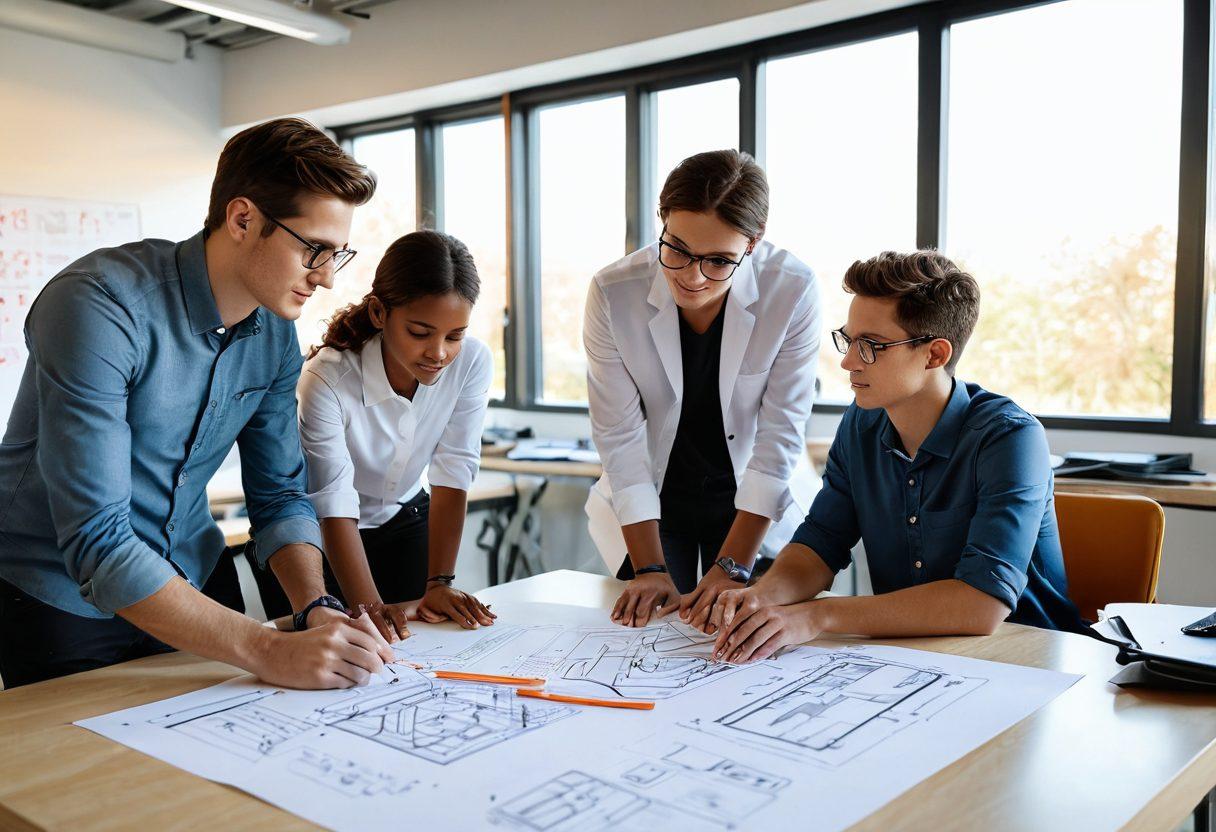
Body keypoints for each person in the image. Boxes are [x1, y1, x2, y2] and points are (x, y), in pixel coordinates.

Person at [0, 117, 397, 689]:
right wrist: (266, 647)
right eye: (314, 250)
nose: (328, 279)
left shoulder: (275, 334)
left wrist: (315, 607)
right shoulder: (97, 305)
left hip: (192, 569)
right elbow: (99, 541)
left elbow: (280, 494)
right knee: (99, 778)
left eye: (338, 254)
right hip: (62, 595)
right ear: (243, 219)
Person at [710, 250, 1088, 664]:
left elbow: (981, 604)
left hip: (1022, 662)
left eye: (872, 345)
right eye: (849, 339)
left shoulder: (1010, 438)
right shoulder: (861, 423)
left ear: (935, 355)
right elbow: (819, 545)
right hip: (911, 659)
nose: (848, 361)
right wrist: (760, 600)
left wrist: (818, 615)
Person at [583, 149, 821, 629]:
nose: (691, 277)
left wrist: (732, 566)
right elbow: (620, 437)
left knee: (741, 638)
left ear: (752, 244)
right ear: (663, 221)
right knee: (647, 632)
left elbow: (779, 437)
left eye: (718, 261)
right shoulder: (614, 291)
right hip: (654, 493)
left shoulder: (790, 289)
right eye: (677, 249)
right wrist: (649, 567)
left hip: (751, 499)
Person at [292, 230, 496, 644]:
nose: (439, 353)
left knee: (419, 646)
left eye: (454, 335)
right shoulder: (326, 379)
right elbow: (333, 499)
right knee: (342, 651)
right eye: (420, 333)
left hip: (404, 520)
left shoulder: (472, 362)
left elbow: (453, 469)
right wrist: (368, 606)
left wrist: (439, 581)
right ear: (380, 313)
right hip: (321, 536)